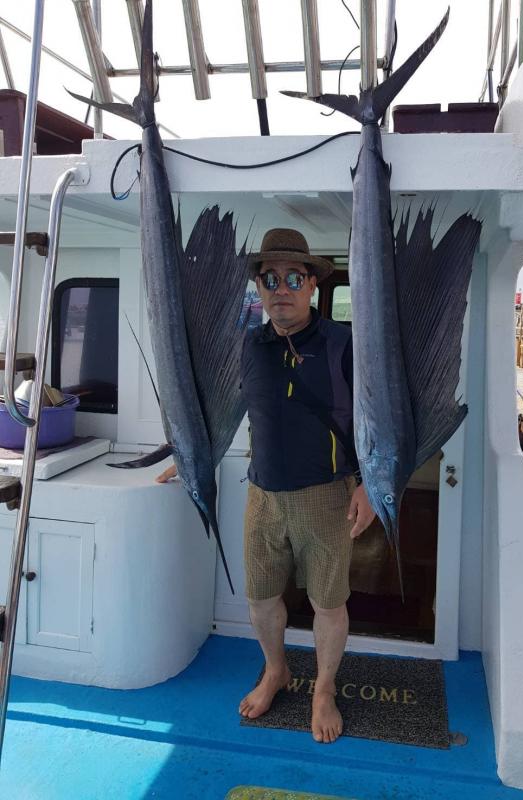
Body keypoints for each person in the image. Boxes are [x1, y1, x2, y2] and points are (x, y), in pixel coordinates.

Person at [157, 228, 375, 744]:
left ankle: (324, 689)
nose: (282, 289)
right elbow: (223, 409)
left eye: (294, 278)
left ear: (313, 285)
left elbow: (374, 417)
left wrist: (369, 484)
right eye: (270, 279)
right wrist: (187, 455)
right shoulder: (248, 346)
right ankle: (275, 669)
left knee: (328, 603)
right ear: (258, 287)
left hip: (327, 495)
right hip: (262, 494)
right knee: (259, 599)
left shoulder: (343, 343)